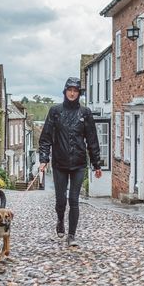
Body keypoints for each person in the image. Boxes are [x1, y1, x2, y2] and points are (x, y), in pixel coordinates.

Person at [38, 77, 102, 247]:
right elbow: (45, 138)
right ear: (65, 91)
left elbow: (92, 139)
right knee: (61, 200)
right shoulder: (55, 111)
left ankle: (71, 235)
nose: (72, 93)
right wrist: (44, 159)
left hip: (79, 163)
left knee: (74, 200)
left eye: (75, 91)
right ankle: (60, 221)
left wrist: (96, 164)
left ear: (79, 93)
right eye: (70, 90)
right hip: (59, 163)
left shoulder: (85, 113)